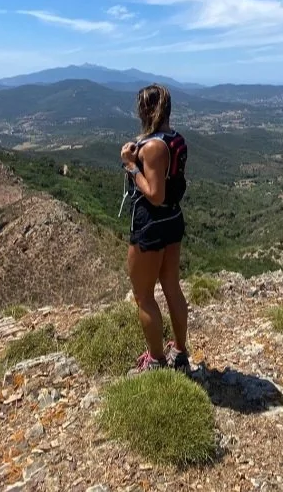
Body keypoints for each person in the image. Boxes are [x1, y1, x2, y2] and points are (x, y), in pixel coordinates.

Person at [120, 83, 190, 373]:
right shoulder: (175, 139)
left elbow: (155, 193)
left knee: (143, 296)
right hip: (173, 220)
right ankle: (180, 350)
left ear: (145, 109)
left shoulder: (152, 148)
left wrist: (131, 166)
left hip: (151, 225)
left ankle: (156, 360)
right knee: (172, 287)